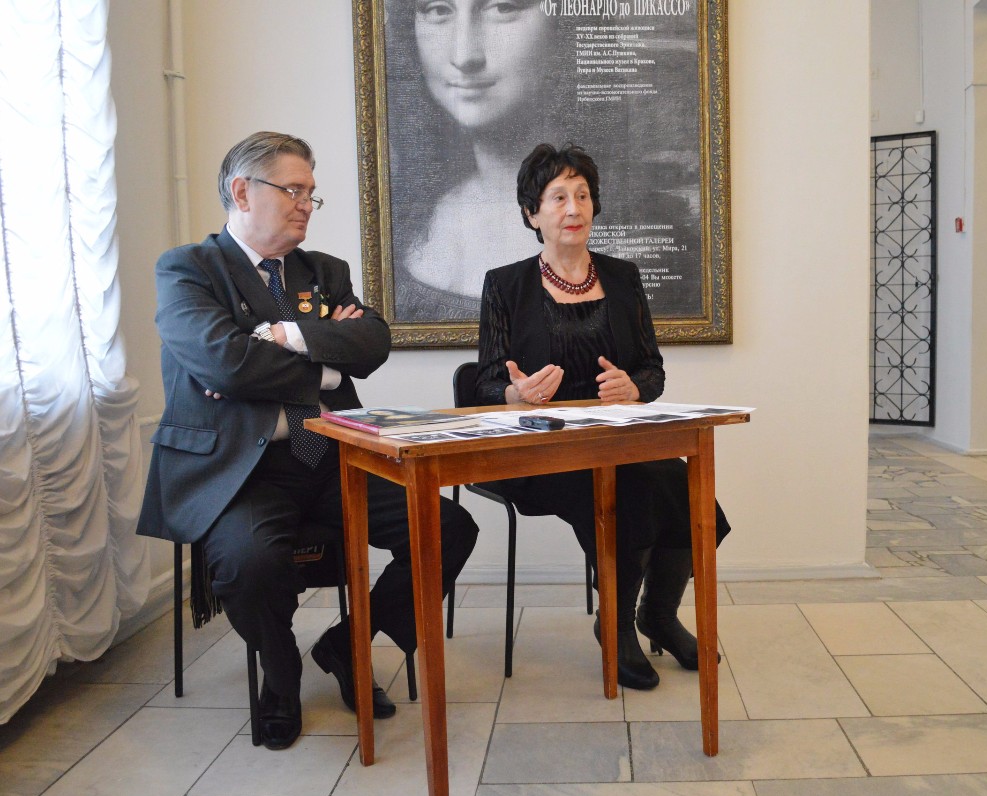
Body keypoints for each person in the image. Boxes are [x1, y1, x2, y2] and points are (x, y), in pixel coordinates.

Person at [136, 131, 479, 750]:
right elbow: (224, 363)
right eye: (293, 190)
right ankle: (281, 672)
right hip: (241, 470)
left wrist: (285, 336)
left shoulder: (324, 271)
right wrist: (326, 365)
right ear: (243, 191)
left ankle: (347, 645)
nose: (305, 205)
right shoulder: (189, 269)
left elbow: (372, 345)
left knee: (448, 526)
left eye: (310, 194)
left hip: (330, 458)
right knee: (250, 563)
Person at [475, 143, 730, 690]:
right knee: (632, 489)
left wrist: (633, 387)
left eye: (583, 195)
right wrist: (516, 393)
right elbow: (486, 381)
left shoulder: (622, 276)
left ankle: (657, 614)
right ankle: (615, 624)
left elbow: (653, 370)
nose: (574, 208)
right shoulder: (505, 285)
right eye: (558, 197)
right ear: (532, 213)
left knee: (686, 488)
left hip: (618, 440)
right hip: (541, 451)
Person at [385, 0, 580, 321]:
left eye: (503, 8)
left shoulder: (607, 231)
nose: (465, 56)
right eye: (438, 10)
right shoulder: (413, 214)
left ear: (565, 26)